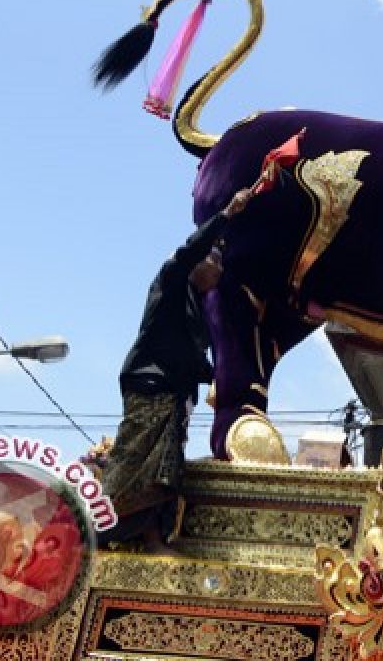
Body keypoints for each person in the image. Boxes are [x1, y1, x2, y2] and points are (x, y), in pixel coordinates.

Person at [99, 187, 253, 555]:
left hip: (174, 394)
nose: (217, 270)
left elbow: (195, 360)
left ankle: (152, 536)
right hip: (151, 385)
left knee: (164, 468)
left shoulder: (197, 310)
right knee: (136, 462)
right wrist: (227, 215)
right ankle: (101, 526)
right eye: (213, 259)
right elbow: (188, 254)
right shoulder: (171, 283)